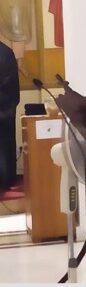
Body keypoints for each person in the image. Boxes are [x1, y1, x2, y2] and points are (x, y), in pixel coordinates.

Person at [0, 40, 19, 190]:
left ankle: (5, 181)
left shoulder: (4, 54)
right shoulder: (6, 52)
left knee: (4, 149)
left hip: (3, 111)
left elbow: (9, 86)